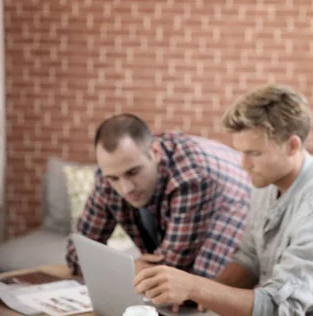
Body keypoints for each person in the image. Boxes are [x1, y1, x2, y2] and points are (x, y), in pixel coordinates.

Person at [134, 84, 313, 315]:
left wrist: (194, 288)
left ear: (292, 146)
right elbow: (249, 258)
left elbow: (282, 307)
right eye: (242, 152)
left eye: (254, 153)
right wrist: (198, 298)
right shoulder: (267, 180)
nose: (243, 165)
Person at [65, 113, 252, 279]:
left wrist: (123, 267)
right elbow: (77, 253)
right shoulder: (107, 177)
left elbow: (172, 269)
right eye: (114, 178)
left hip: (239, 201)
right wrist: (130, 266)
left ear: (155, 152)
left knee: (200, 288)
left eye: (133, 172)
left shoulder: (192, 176)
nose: (125, 188)